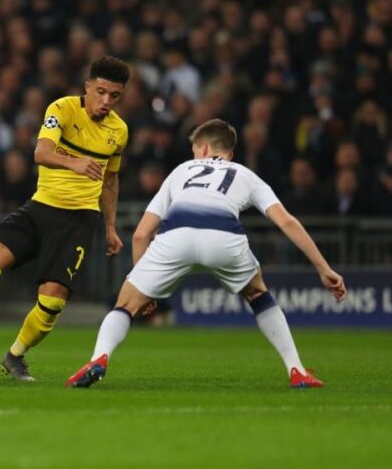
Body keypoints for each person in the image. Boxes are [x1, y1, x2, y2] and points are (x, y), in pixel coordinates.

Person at [66, 119, 347, 389]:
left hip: (176, 236)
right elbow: (286, 221)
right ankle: (296, 370)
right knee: (258, 294)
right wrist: (323, 268)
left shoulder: (182, 170)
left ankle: (99, 358)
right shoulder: (246, 174)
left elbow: (141, 234)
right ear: (230, 153)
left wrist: (145, 285)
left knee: (125, 305)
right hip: (224, 238)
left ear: (202, 149)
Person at [0, 56, 130, 381]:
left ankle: (15, 356)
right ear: (88, 87)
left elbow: (110, 181)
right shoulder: (62, 109)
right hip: (41, 207)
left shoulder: (119, 131)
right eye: (101, 92)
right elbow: (40, 153)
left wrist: (110, 227)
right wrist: (75, 163)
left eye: (115, 95)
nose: (106, 101)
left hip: (79, 219)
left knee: (52, 302)